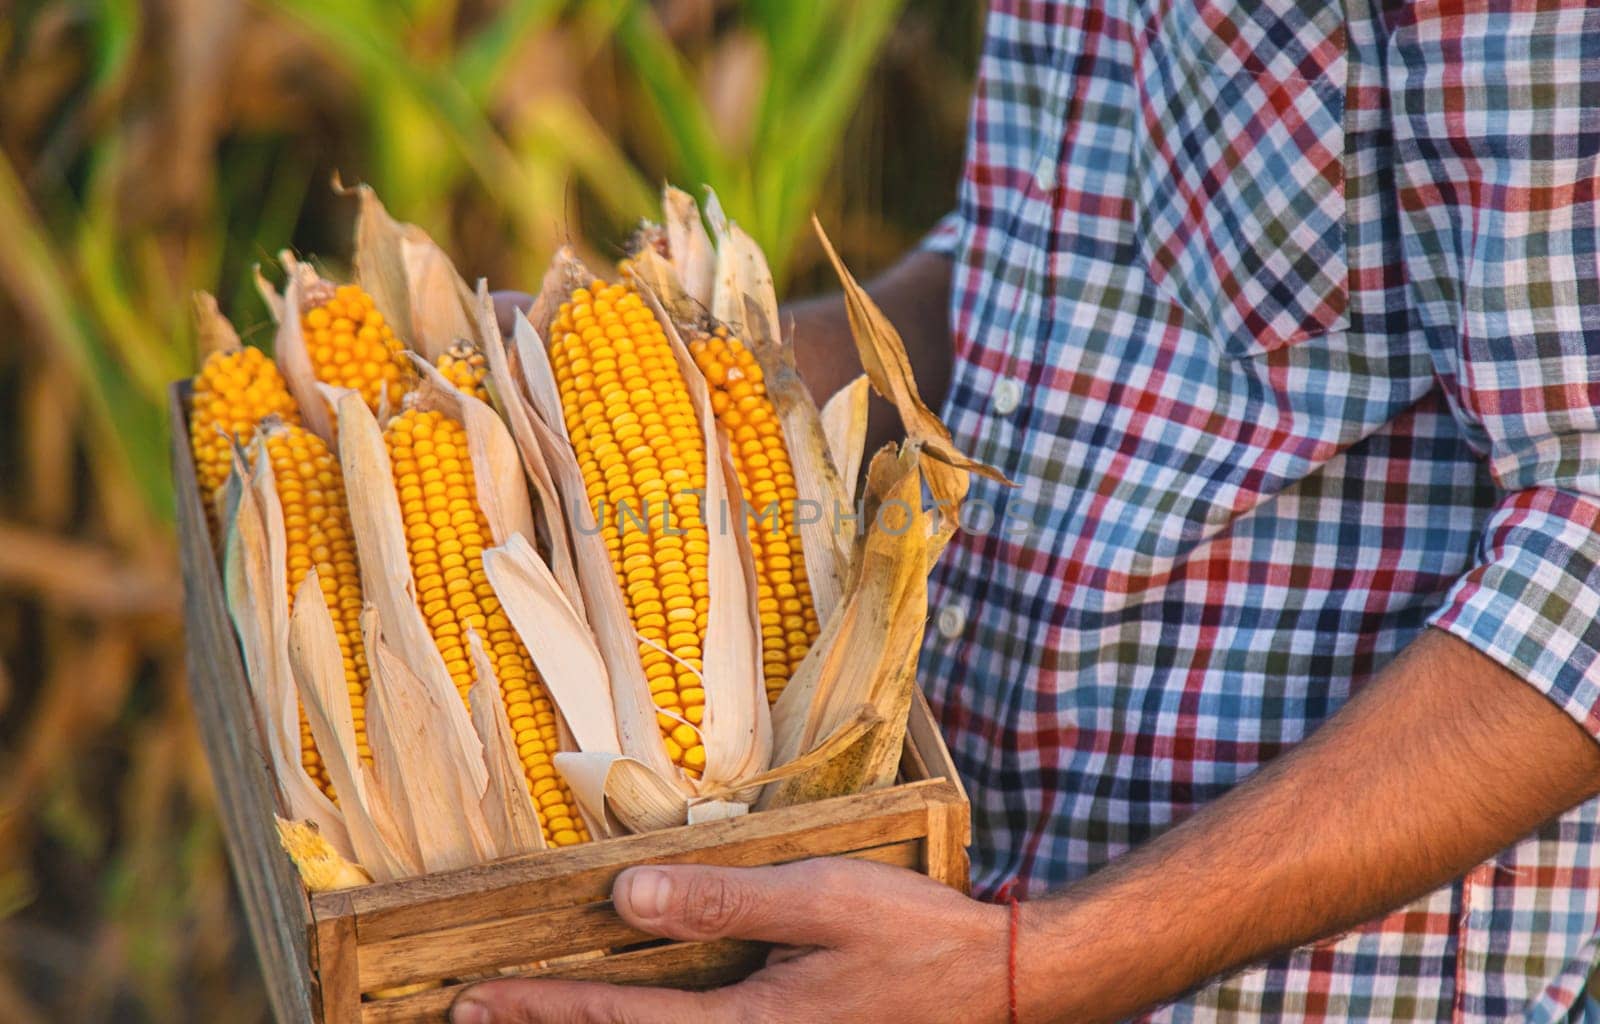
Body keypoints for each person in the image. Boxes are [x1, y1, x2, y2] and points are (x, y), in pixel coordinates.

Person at [464, 1, 1600, 1020]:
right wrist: (693, 381)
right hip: (948, 898)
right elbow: (1040, 266)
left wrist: (1033, 967)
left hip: (1282, 982)